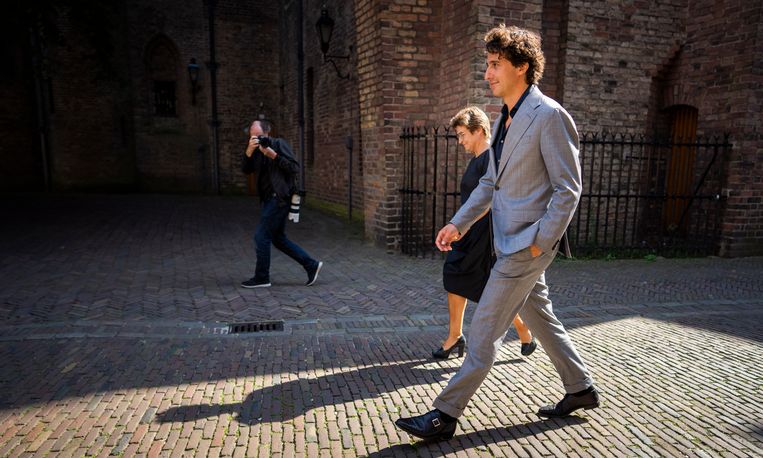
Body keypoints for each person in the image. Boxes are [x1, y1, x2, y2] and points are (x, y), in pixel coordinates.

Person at [395, 24, 598, 441]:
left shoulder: (549, 116)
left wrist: (544, 238)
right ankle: (580, 388)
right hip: (509, 240)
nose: (487, 74)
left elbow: (568, 188)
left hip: (527, 245)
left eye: (495, 65)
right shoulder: (506, 119)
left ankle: (444, 415)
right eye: (487, 65)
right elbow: (490, 184)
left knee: (484, 330)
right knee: (541, 318)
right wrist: (458, 223)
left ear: (522, 67)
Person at [433, 106, 536, 360]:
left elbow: (488, 200)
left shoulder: (491, 158)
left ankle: (522, 330)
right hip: (471, 232)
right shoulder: (478, 158)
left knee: (485, 286)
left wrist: (460, 228)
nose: (460, 141)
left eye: (462, 134)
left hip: (483, 233)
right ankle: (456, 336)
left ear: (479, 130)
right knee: (464, 279)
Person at [240, 120, 322, 288]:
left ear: (267, 133)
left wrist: (274, 155)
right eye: (253, 137)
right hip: (269, 200)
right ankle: (311, 265)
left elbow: (294, 168)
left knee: (261, 236)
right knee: (278, 238)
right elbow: (246, 170)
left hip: (279, 198)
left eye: (259, 136)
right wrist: (248, 151)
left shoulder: (279, 144)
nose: (256, 139)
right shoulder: (254, 151)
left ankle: (262, 277)